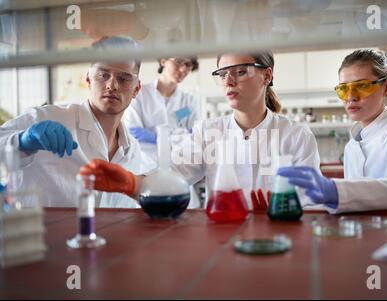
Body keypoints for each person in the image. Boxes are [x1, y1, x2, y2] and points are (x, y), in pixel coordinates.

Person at [80, 51, 321, 210]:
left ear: (266, 75)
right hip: (222, 239)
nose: (228, 82)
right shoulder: (209, 132)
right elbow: (171, 176)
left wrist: (279, 210)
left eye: (239, 72)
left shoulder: (296, 136)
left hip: (279, 240)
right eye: (222, 74)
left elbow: (312, 202)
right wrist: (131, 183)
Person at [277, 48, 387, 213]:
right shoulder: (352, 147)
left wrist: (335, 191)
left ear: (386, 87)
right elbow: (358, 205)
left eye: (362, 86)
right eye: (344, 89)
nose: (351, 96)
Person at [0, 36, 151, 207]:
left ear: (136, 88)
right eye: (103, 75)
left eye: (124, 78)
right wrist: (22, 142)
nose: (112, 85)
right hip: (40, 233)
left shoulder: (133, 152)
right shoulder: (45, 117)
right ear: (88, 79)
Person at [123, 56, 201, 163]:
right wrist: (174, 138)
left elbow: (194, 136)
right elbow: (133, 132)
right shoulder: (139, 95)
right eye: (178, 61)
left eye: (188, 65)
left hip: (179, 165)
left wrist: (159, 138)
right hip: (145, 163)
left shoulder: (189, 101)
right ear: (163, 61)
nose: (183, 69)